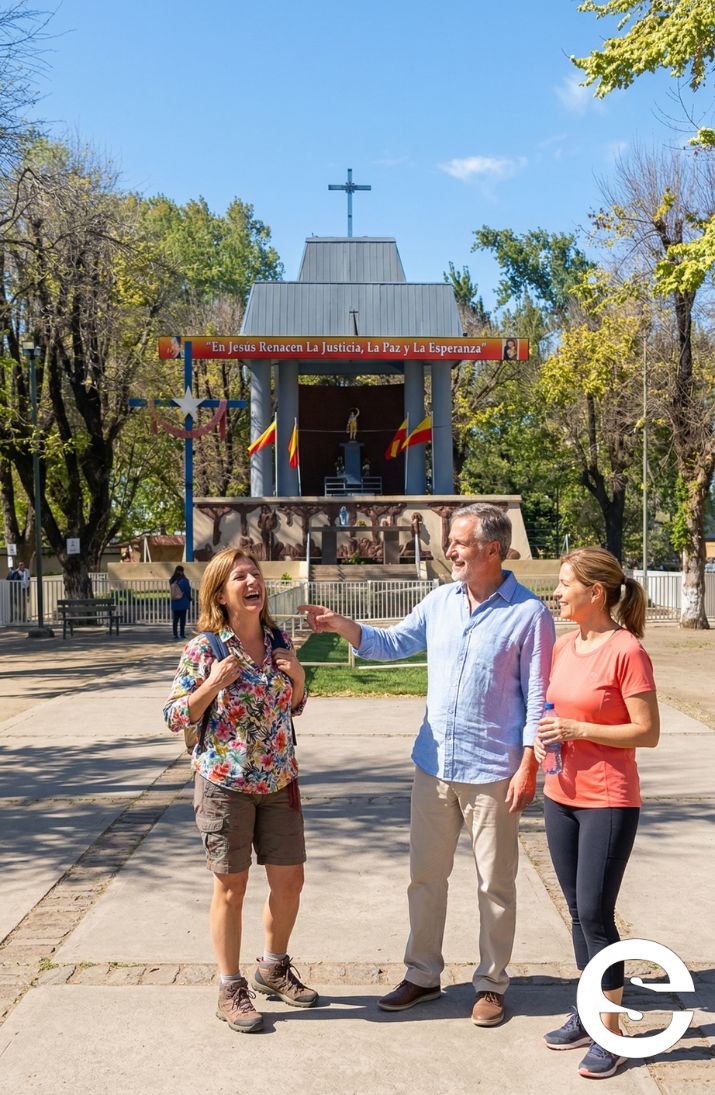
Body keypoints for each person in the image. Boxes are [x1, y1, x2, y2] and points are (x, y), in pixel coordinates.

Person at [299, 502, 555, 1026]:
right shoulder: (440, 601)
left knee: (495, 884)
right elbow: (391, 643)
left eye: (459, 542)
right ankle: (422, 975)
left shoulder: (530, 615)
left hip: (494, 770)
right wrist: (345, 627)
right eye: (451, 541)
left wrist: (531, 763)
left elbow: (538, 696)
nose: (449, 550)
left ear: (492, 549)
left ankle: (491, 983)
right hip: (433, 764)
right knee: (425, 876)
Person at [163, 547, 315, 1034]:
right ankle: (230, 987)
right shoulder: (205, 648)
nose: (252, 582)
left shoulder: (277, 639)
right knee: (232, 886)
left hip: (278, 780)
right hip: (225, 784)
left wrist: (299, 679)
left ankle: (272, 968)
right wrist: (211, 684)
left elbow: (294, 705)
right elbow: (172, 716)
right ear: (222, 593)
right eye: (239, 577)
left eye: (255, 575)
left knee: (289, 880)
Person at [534, 547, 659, 1080]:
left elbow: (647, 732)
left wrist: (578, 730)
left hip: (608, 801)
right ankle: (587, 1012)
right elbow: (553, 710)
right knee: (576, 913)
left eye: (565, 585)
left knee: (596, 915)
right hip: (560, 794)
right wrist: (544, 740)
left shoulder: (627, 650)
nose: (557, 593)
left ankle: (613, 1031)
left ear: (596, 593)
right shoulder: (565, 646)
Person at [169, 565, 192, 640]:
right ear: (182, 571)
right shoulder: (185, 580)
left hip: (175, 602)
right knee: (182, 619)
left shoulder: (172, 580)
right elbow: (187, 591)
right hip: (183, 602)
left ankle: (175, 634)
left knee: (175, 620)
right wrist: (189, 599)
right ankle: (182, 634)